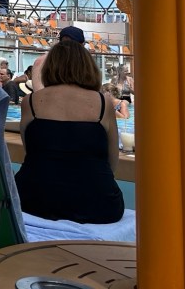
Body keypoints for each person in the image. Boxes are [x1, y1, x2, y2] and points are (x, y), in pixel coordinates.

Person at [14, 26, 124, 224]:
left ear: (50, 66)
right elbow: (112, 161)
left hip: (32, 198)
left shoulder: (30, 102)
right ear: (87, 66)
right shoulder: (103, 103)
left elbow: (31, 151)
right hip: (99, 203)